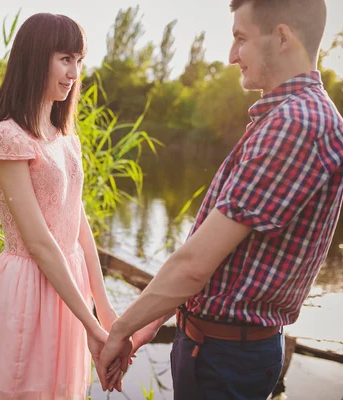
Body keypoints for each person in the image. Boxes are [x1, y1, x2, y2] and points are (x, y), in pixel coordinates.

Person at [98, 0, 343, 399]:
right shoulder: (290, 116)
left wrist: (121, 329)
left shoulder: (295, 123)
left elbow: (195, 265)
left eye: (240, 39)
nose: (231, 57)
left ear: (282, 37)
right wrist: (148, 325)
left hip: (226, 358)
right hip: (222, 349)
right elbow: (215, 262)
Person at [0, 13, 124, 399]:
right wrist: (92, 326)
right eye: (65, 58)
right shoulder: (7, 138)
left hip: (70, 285)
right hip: (28, 287)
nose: (74, 72)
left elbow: (78, 225)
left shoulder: (66, 136)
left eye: (79, 61)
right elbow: (40, 242)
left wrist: (104, 309)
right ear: (35, 58)